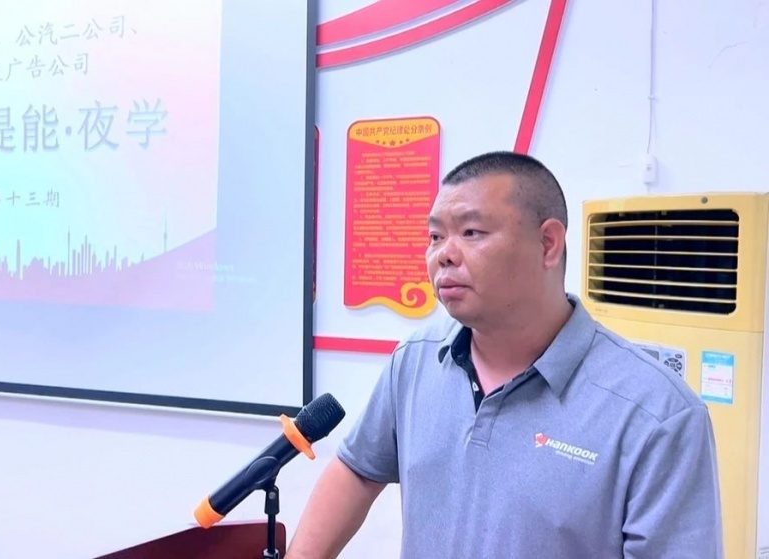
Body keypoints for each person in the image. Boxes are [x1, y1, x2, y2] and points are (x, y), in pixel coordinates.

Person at [286, 151, 723, 558]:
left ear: (548, 244)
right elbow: (358, 470)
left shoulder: (657, 414)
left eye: (471, 232)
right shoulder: (417, 360)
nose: (444, 255)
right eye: (435, 236)